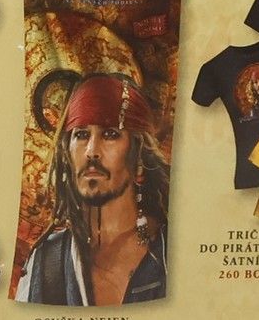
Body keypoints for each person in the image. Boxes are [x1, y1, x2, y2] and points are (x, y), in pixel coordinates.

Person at [16, 72, 170, 305]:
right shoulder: (46, 261)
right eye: (81, 135)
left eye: (110, 134)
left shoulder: (171, 250)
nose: (91, 151)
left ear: (138, 154)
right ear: (67, 154)